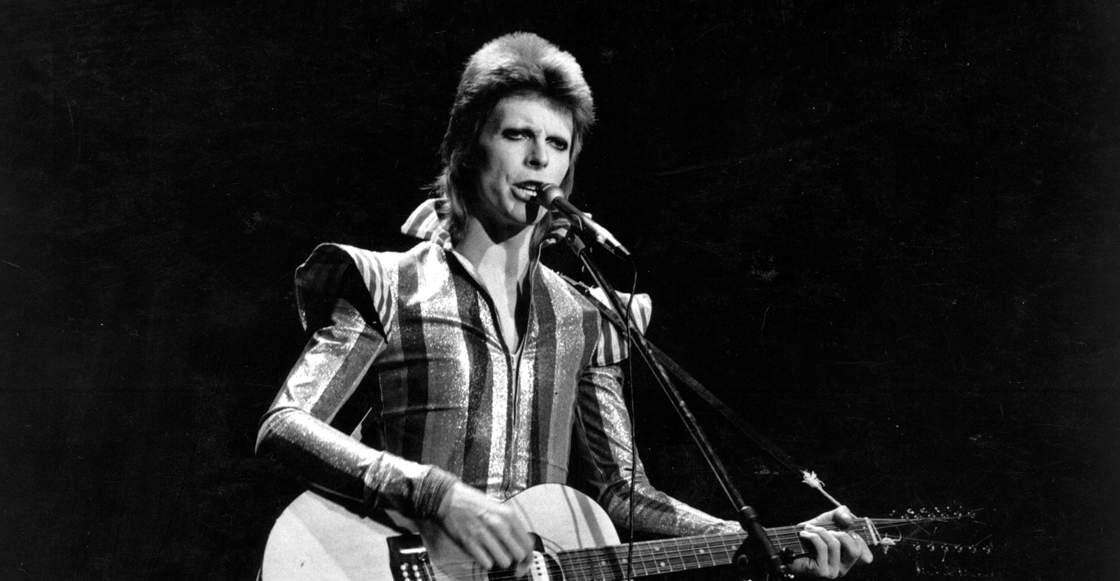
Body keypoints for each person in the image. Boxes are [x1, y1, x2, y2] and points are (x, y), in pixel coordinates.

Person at [257, 32, 871, 578]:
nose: (539, 158)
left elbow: (624, 491)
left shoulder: (584, 314)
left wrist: (760, 542)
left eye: (558, 143)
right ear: (468, 146)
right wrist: (435, 493)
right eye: (517, 135)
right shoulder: (388, 283)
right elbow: (283, 424)